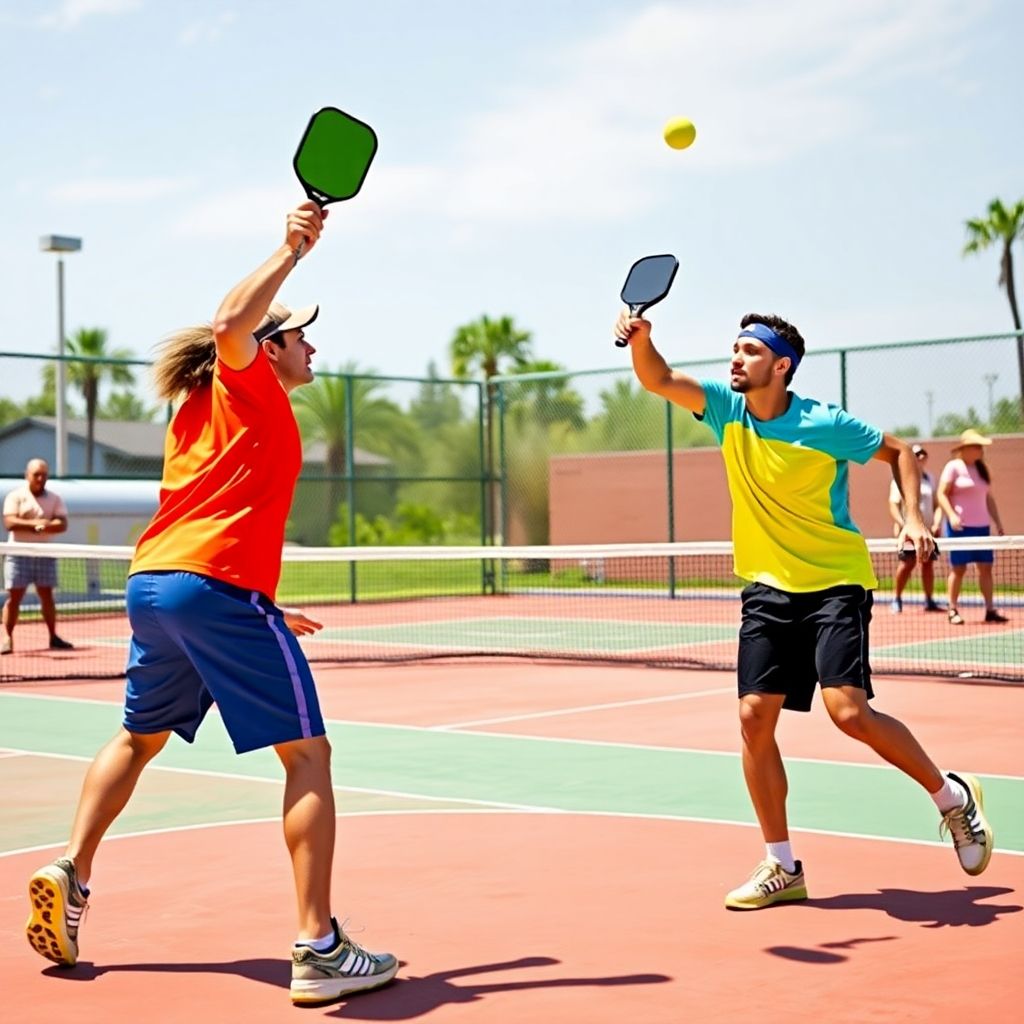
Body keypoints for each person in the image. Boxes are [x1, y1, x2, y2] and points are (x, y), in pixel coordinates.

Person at [25, 202, 398, 1006]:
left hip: (158, 588)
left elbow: (218, 512)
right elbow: (233, 317)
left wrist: (261, 605)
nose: (313, 346)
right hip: (214, 590)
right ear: (269, 346)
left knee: (138, 736)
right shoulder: (248, 378)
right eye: (301, 335)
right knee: (308, 756)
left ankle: (72, 872)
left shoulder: (203, 407)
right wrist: (292, 248)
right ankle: (320, 946)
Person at [617, 309, 994, 910]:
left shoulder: (823, 422)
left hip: (834, 582)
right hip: (768, 587)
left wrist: (917, 517)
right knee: (752, 717)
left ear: (780, 365)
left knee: (849, 713)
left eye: (748, 351)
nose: (735, 359)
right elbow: (658, 378)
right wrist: (642, 340)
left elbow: (900, 452)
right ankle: (782, 865)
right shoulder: (724, 408)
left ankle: (952, 798)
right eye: (733, 350)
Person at [936, 428, 1008, 625]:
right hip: (960, 528)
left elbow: (989, 498)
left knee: (986, 568)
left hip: (982, 527)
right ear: (965, 448)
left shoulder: (982, 469)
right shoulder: (953, 467)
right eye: (976, 446)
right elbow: (942, 494)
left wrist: (998, 523)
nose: (980, 450)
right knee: (958, 569)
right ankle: (952, 609)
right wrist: (951, 516)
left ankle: (990, 610)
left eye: (980, 447)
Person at [2, 458, 74, 654]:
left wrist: (45, 525)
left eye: (44, 475)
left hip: (44, 553)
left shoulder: (55, 498)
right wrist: (36, 524)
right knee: (14, 597)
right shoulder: (15, 496)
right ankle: (7, 638)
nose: (40, 478)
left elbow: (62, 523)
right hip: (18, 554)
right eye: (36, 475)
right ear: (27, 475)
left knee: (47, 595)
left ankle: (53, 636)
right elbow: (10, 522)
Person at [887, 444, 943, 613]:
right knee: (907, 564)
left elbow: (936, 504)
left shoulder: (930, 478)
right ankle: (896, 598)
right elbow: (893, 505)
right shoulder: (901, 479)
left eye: (922, 455)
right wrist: (905, 525)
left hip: (927, 533)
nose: (919, 458)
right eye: (916, 455)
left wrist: (937, 523)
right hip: (909, 534)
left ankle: (929, 600)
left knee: (928, 564)